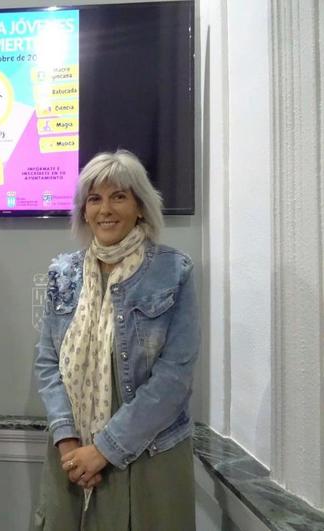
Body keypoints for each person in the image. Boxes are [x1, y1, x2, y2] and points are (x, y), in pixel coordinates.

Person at [33, 150, 199, 530]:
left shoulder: (173, 271)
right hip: (72, 460)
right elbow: (46, 362)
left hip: (149, 458)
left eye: (119, 196)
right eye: (95, 199)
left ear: (140, 206)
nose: (105, 209)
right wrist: (68, 442)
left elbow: (174, 379)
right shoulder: (63, 272)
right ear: (84, 210)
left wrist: (104, 450)